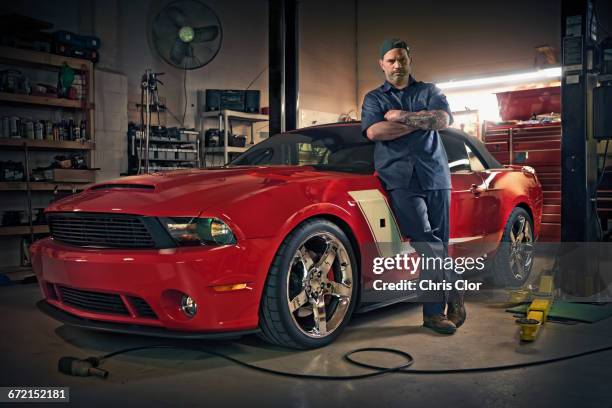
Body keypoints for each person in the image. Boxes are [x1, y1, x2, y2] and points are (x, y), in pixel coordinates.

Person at [361, 38, 466, 334]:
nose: (397, 65)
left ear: (409, 61)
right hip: (399, 179)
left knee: (439, 244)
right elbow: (375, 131)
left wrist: (400, 117)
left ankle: (433, 315)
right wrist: (421, 121)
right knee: (424, 239)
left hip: (435, 175)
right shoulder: (374, 98)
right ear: (382, 64)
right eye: (391, 60)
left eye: (402, 59)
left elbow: (442, 120)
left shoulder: (429, 91)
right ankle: (455, 285)